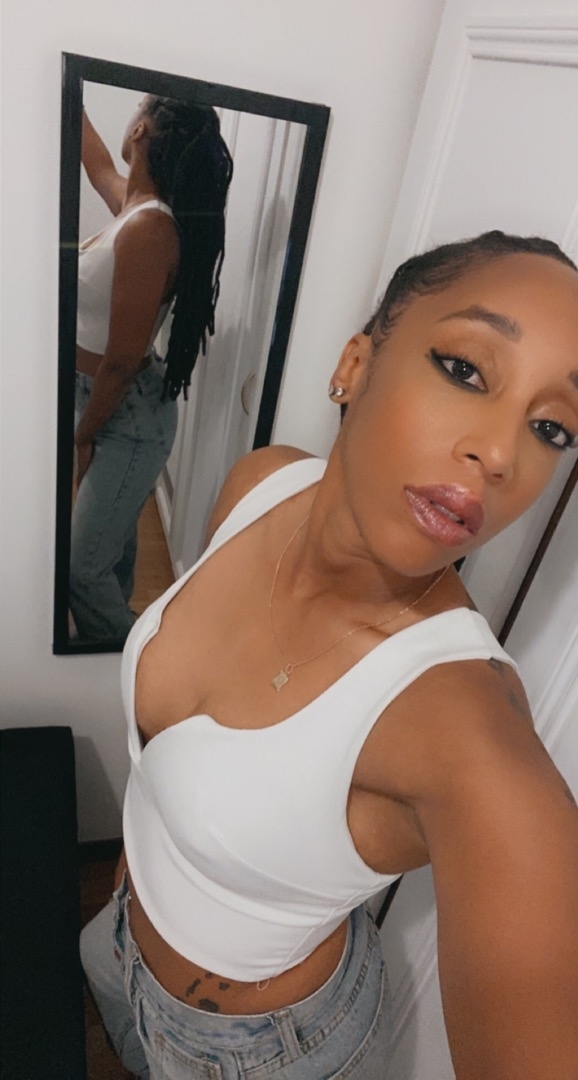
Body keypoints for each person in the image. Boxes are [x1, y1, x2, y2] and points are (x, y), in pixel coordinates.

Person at [80, 231, 578, 1079]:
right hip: (120, 930)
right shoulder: (263, 482)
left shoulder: (472, 739)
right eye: (465, 369)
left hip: (254, 1052)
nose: (500, 455)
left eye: (552, 427)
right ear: (355, 364)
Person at [71, 95, 233, 642]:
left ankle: (134, 664)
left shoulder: (150, 230)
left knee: (81, 569)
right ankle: (112, 643)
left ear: (140, 128)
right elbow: (97, 164)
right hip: (111, 400)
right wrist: (68, 96)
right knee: (108, 550)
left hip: (124, 413)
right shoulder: (137, 208)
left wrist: (83, 436)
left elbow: (119, 363)